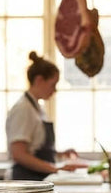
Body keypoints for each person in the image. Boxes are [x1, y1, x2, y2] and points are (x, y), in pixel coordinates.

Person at [6, 51, 87, 180]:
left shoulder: (37, 108)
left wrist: (59, 154)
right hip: (26, 180)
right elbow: (19, 154)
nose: (54, 90)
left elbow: (36, 148)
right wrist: (55, 169)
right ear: (39, 80)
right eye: (53, 85)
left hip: (38, 178)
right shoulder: (23, 109)